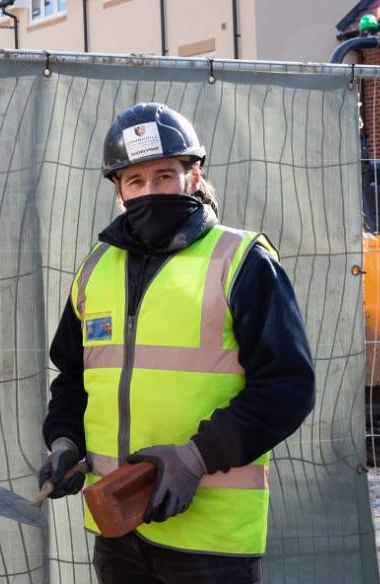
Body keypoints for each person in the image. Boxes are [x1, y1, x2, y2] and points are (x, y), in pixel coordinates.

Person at [38, 102, 315, 584]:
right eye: (136, 181)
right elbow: (74, 377)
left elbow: (288, 387)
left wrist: (196, 457)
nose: (151, 191)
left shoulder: (242, 261)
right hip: (118, 530)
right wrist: (64, 441)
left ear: (193, 175)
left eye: (165, 176)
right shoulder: (94, 270)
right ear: (118, 188)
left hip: (211, 542)